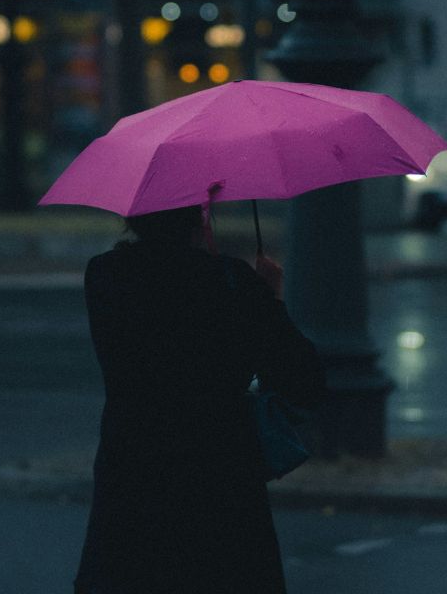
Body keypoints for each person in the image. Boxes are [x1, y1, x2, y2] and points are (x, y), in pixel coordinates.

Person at [73, 205, 325, 594]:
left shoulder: (105, 275)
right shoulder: (231, 282)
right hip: (220, 481)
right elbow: (304, 381)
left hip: (132, 475)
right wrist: (270, 298)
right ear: (200, 217)